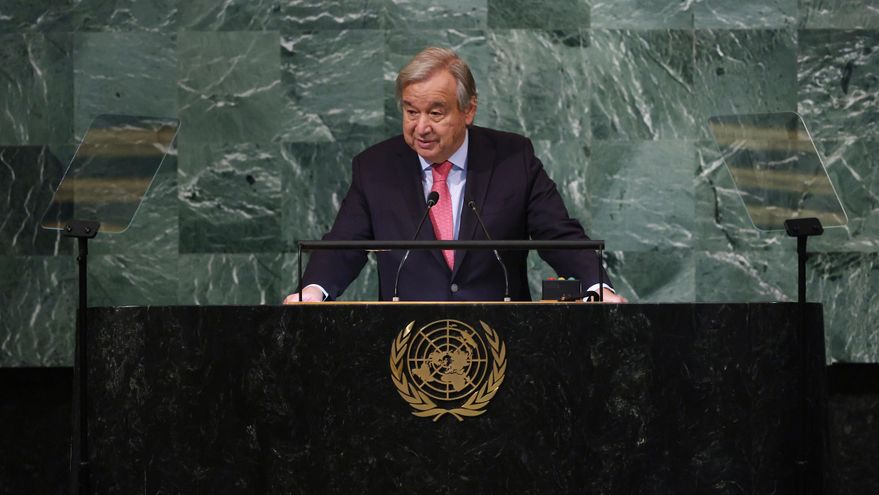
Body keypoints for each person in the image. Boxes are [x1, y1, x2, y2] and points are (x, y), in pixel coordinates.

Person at [284, 47, 625, 303]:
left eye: (435, 112)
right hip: (406, 349)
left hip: (504, 347)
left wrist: (599, 288)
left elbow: (558, 236)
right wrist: (312, 292)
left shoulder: (511, 159)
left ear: (468, 110)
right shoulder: (376, 167)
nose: (421, 127)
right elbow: (344, 244)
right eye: (411, 111)